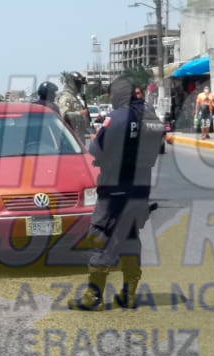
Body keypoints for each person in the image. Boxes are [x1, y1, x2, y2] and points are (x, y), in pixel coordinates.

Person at [69, 75, 166, 311]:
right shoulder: (150, 115)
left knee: (101, 236)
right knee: (130, 237)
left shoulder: (119, 116)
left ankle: (94, 296)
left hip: (115, 191)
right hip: (140, 189)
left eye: (113, 94)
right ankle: (129, 293)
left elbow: (96, 148)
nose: (111, 98)